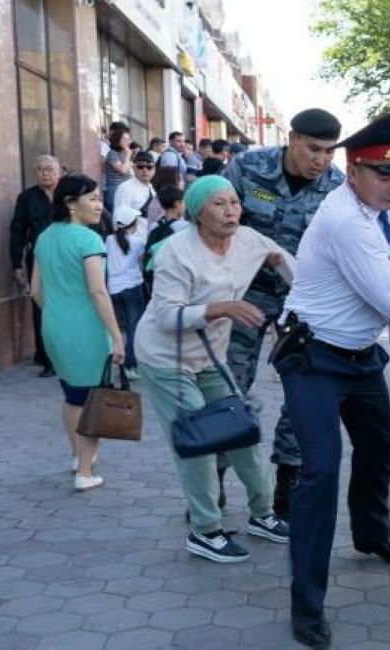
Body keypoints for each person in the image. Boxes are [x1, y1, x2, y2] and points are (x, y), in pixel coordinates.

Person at [279, 109, 390, 649]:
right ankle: (307, 604)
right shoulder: (347, 220)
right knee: (320, 472)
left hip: (359, 354)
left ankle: (372, 534)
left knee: (378, 448)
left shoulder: (379, 210)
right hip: (315, 359)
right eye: (382, 173)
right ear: (353, 172)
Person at [134, 175, 293, 563]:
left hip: (210, 356)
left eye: (235, 203)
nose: (230, 211)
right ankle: (205, 530)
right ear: (197, 212)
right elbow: (168, 316)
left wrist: (298, 296)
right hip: (165, 356)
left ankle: (263, 514)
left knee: (242, 431)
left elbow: (285, 262)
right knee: (199, 444)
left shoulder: (249, 240)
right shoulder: (177, 251)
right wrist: (224, 308)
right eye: (219, 204)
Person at [221, 108, 346, 520]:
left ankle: (287, 484)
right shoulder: (248, 167)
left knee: (303, 391)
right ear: (292, 139)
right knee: (229, 386)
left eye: (329, 152)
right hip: (246, 293)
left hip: (304, 300)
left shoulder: (337, 187)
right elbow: (210, 220)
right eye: (314, 149)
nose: (321, 160)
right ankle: (212, 482)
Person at [30, 174, 123, 491]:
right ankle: (85, 471)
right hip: (87, 328)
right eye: (93, 199)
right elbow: (99, 292)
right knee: (91, 400)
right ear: (70, 203)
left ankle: (76, 457)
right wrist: (118, 335)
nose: (100, 205)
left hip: (54, 325)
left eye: (99, 198)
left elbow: (35, 291)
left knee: (72, 396)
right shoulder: (89, 240)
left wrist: (59, 311)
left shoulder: (45, 237)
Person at [11, 155, 62, 378]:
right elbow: (17, 231)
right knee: (41, 308)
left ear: (59, 171)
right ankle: (47, 359)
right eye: (40, 169)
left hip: (67, 259)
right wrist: (17, 264)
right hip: (38, 260)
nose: (45, 173)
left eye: (49, 169)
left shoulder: (69, 195)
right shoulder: (26, 198)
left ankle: (66, 354)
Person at [105, 206, 147, 378]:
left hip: (113, 289)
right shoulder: (138, 242)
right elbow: (142, 262)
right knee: (134, 328)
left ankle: (119, 363)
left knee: (120, 328)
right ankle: (130, 366)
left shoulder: (108, 240)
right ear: (133, 223)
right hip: (133, 287)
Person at [112, 151, 157, 229]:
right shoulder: (126, 188)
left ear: (154, 170)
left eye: (149, 167)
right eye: (140, 166)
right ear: (133, 168)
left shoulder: (151, 189)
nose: (145, 170)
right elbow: (118, 217)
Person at [103, 124, 134, 212]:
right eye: (124, 139)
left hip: (126, 189)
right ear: (117, 140)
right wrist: (128, 155)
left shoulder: (123, 153)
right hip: (116, 189)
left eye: (129, 139)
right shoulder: (112, 153)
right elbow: (123, 170)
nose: (127, 142)